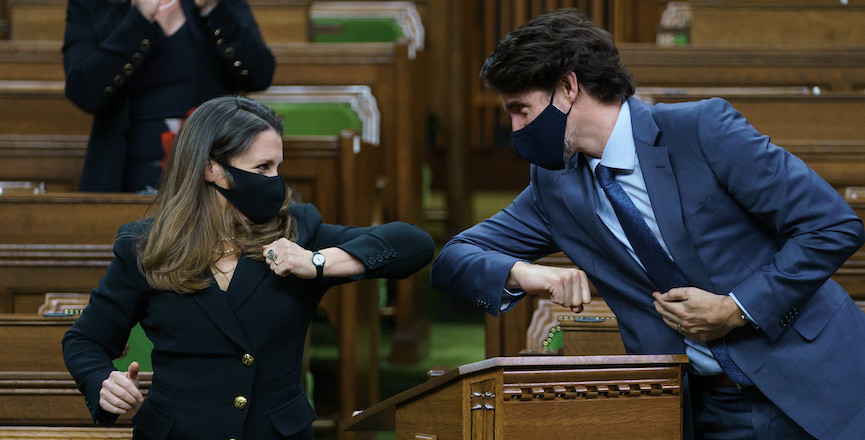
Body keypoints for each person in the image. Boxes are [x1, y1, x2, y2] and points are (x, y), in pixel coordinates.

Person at [431, 8, 865, 440]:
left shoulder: (700, 130)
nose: (515, 129)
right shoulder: (555, 188)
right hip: (704, 409)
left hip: (817, 381)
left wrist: (736, 309)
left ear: (567, 87)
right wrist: (524, 272)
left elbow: (832, 226)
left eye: (521, 110)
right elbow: (452, 259)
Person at [62, 95, 435, 439]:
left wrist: (317, 262)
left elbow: (414, 245)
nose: (275, 181)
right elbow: (85, 340)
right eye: (263, 167)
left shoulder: (298, 232)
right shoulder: (145, 246)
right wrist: (102, 382)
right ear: (211, 168)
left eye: (278, 167)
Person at [63, 0, 275, 192]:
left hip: (209, 177)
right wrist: (140, 17)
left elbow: (260, 75)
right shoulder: (89, 4)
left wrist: (214, 9)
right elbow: (83, 92)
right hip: (124, 177)